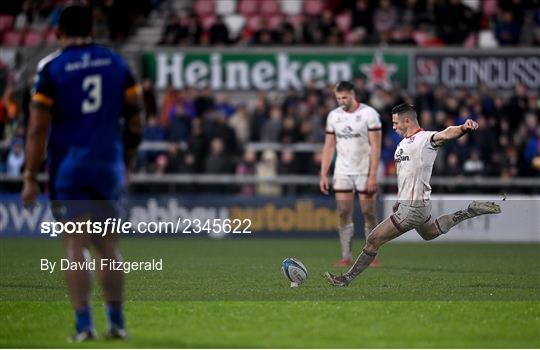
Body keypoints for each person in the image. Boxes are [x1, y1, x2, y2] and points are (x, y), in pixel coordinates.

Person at [21, 4, 143, 341]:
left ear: (59, 31)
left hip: (70, 167)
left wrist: (31, 176)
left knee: (75, 244)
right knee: (108, 246)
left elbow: (36, 129)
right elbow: (136, 117)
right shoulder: (116, 63)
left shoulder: (52, 68)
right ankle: (117, 324)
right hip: (107, 165)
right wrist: (128, 160)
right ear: (94, 28)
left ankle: (84, 326)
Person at [324, 103, 501, 287]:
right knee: (430, 233)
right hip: (416, 204)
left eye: (395, 123)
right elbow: (407, 175)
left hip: (414, 205)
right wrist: (401, 200)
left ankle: (345, 279)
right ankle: (469, 212)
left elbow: (446, 133)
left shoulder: (425, 139)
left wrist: (463, 127)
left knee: (373, 239)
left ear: (407, 120)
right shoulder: (402, 144)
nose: (393, 127)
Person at [320, 81, 382, 268]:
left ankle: (371, 255)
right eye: (338, 98)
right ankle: (346, 256)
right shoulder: (334, 116)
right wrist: (323, 174)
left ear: (353, 94)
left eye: (344, 97)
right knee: (343, 212)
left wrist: (373, 174)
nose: (341, 101)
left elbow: (376, 146)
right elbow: (329, 145)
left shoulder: (369, 114)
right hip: (343, 171)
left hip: (364, 170)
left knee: (368, 212)